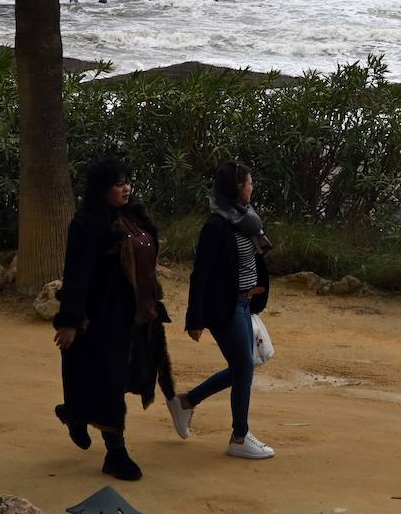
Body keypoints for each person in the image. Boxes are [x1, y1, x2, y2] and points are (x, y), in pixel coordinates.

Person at [53, 157, 175, 482]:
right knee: (109, 384)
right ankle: (115, 453)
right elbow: (77, 276)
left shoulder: (134, 216)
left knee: (123, 380)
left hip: (135, 316)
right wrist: (70, 320)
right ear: (101, 188)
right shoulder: (87, 223)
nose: (126, 187)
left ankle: (74, 413)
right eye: (118, 183)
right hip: (102, 320)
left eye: (128, 181)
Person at [169, 159, 274, 459]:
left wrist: (255, 291)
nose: (253, 187)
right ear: (238, 188)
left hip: (243, 303)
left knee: (243, 368)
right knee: (244, 369)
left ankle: (186, 402)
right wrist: (195, 318)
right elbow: (199, 274)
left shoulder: (246, 219)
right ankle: (239, 437)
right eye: (250, 183)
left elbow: (251, 262)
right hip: (223, 308)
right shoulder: (216, 226)